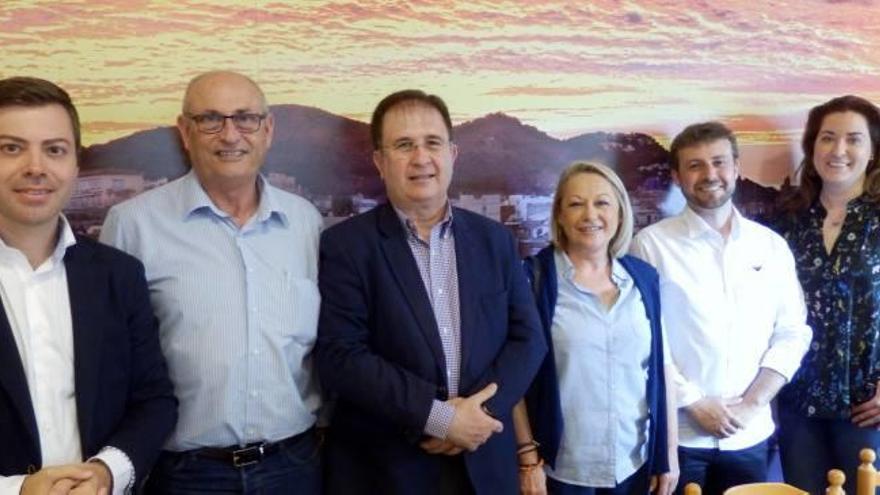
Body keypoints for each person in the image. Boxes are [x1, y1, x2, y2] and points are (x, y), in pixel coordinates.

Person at [100, 71, 323, 494]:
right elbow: (111, 360)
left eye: (245, 119)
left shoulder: (306, 223)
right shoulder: (133, 225)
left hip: (294, 465)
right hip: (184, 474)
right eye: (210, 120)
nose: (230, 134)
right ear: (185, 132)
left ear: (268, 129)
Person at [316, 89, 547, 495]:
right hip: (389, 470)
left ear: (452, 155)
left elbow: (528, 340)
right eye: (404, 145)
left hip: (485, 461)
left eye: (432, 143)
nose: (421, 158)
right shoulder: (346, 246)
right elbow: (342, 356)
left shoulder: (494, 241)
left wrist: (477, 418)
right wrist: (439, 418)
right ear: (380, 161)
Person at [0, 76, 176, 494]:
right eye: (11, 148)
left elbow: (154, 401)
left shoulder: (120, 276)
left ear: (76, 165)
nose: (36, 167)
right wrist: (16, 489)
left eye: (54, 150)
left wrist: (106, 473)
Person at [630, 122, 811, 494]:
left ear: (736, 168)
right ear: (677, 176)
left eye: (719, 162)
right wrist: (694, 402)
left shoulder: (771, 246)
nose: (710, 174)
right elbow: (646, 339)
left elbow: (793, 332)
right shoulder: (650, 246)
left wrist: (751, 403)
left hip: (751, 434)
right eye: (695, 165)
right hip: (679, 439)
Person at [513, 162, 678, 495]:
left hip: (633, 465)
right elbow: (513, 380)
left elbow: (662, 369)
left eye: (602, 202)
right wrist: (527, 460)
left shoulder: (643, 280)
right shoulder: (532, 280)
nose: (590, 214)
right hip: (561, 471)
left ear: (619, 213)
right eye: (576, 204)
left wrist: (668, 455)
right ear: (559, 214)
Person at [773, 95, 880, 495]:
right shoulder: (786, 221)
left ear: (872, 151)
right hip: (797, 400)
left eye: (854, 139)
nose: (838, 150)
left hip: (868, 405)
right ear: (812, 147)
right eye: (827, 138)